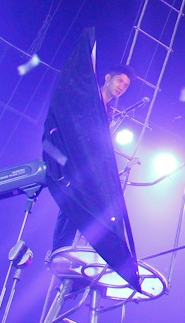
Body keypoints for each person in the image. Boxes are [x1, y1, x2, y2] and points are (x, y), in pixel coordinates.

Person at [50, 64, 136, 251]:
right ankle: (59, 251)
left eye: (126, 85)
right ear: (108, 78)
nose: (122, 87)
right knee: (72, 207)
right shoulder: (88, 98)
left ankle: (70, 250)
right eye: (119, 81)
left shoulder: (108, 111)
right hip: (70, 159)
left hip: (86, 165)